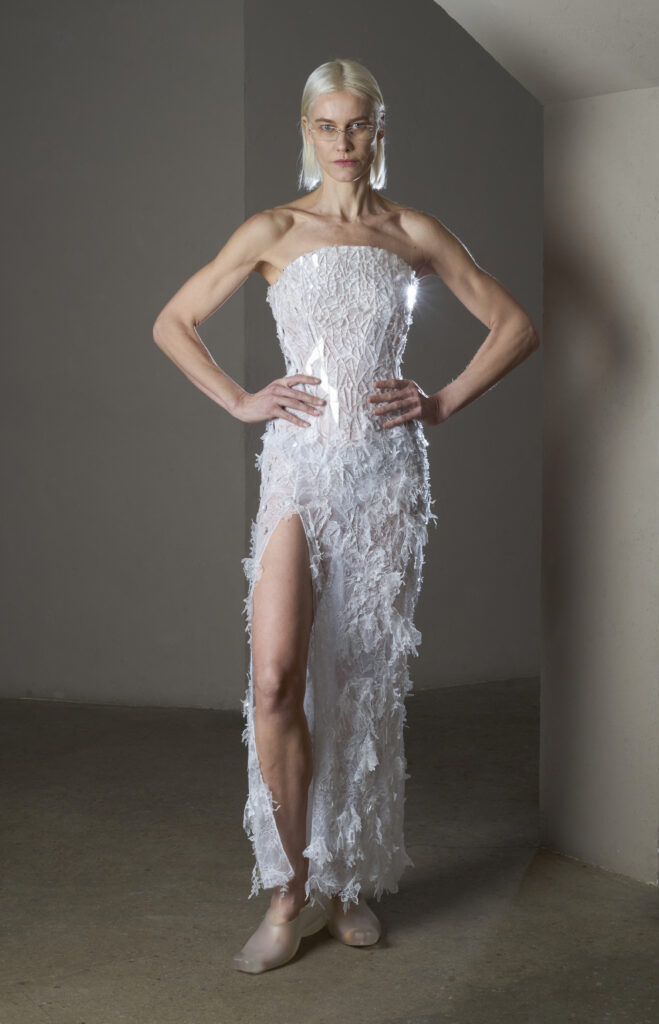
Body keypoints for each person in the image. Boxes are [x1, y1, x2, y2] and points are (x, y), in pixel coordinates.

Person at [152, 57, 539, 974]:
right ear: (306, 131)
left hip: (385, 479)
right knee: (275, 678)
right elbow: (173, 321)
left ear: (378, 129)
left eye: (356, 125)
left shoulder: (411, 231)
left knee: (363, 685)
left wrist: (439, 402)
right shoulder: (274, 229)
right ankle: (287, 891)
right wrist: (241, 399)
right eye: (325, 126)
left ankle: (347, 881)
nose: (342, 142)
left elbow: (515, 325)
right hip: (298, 471)